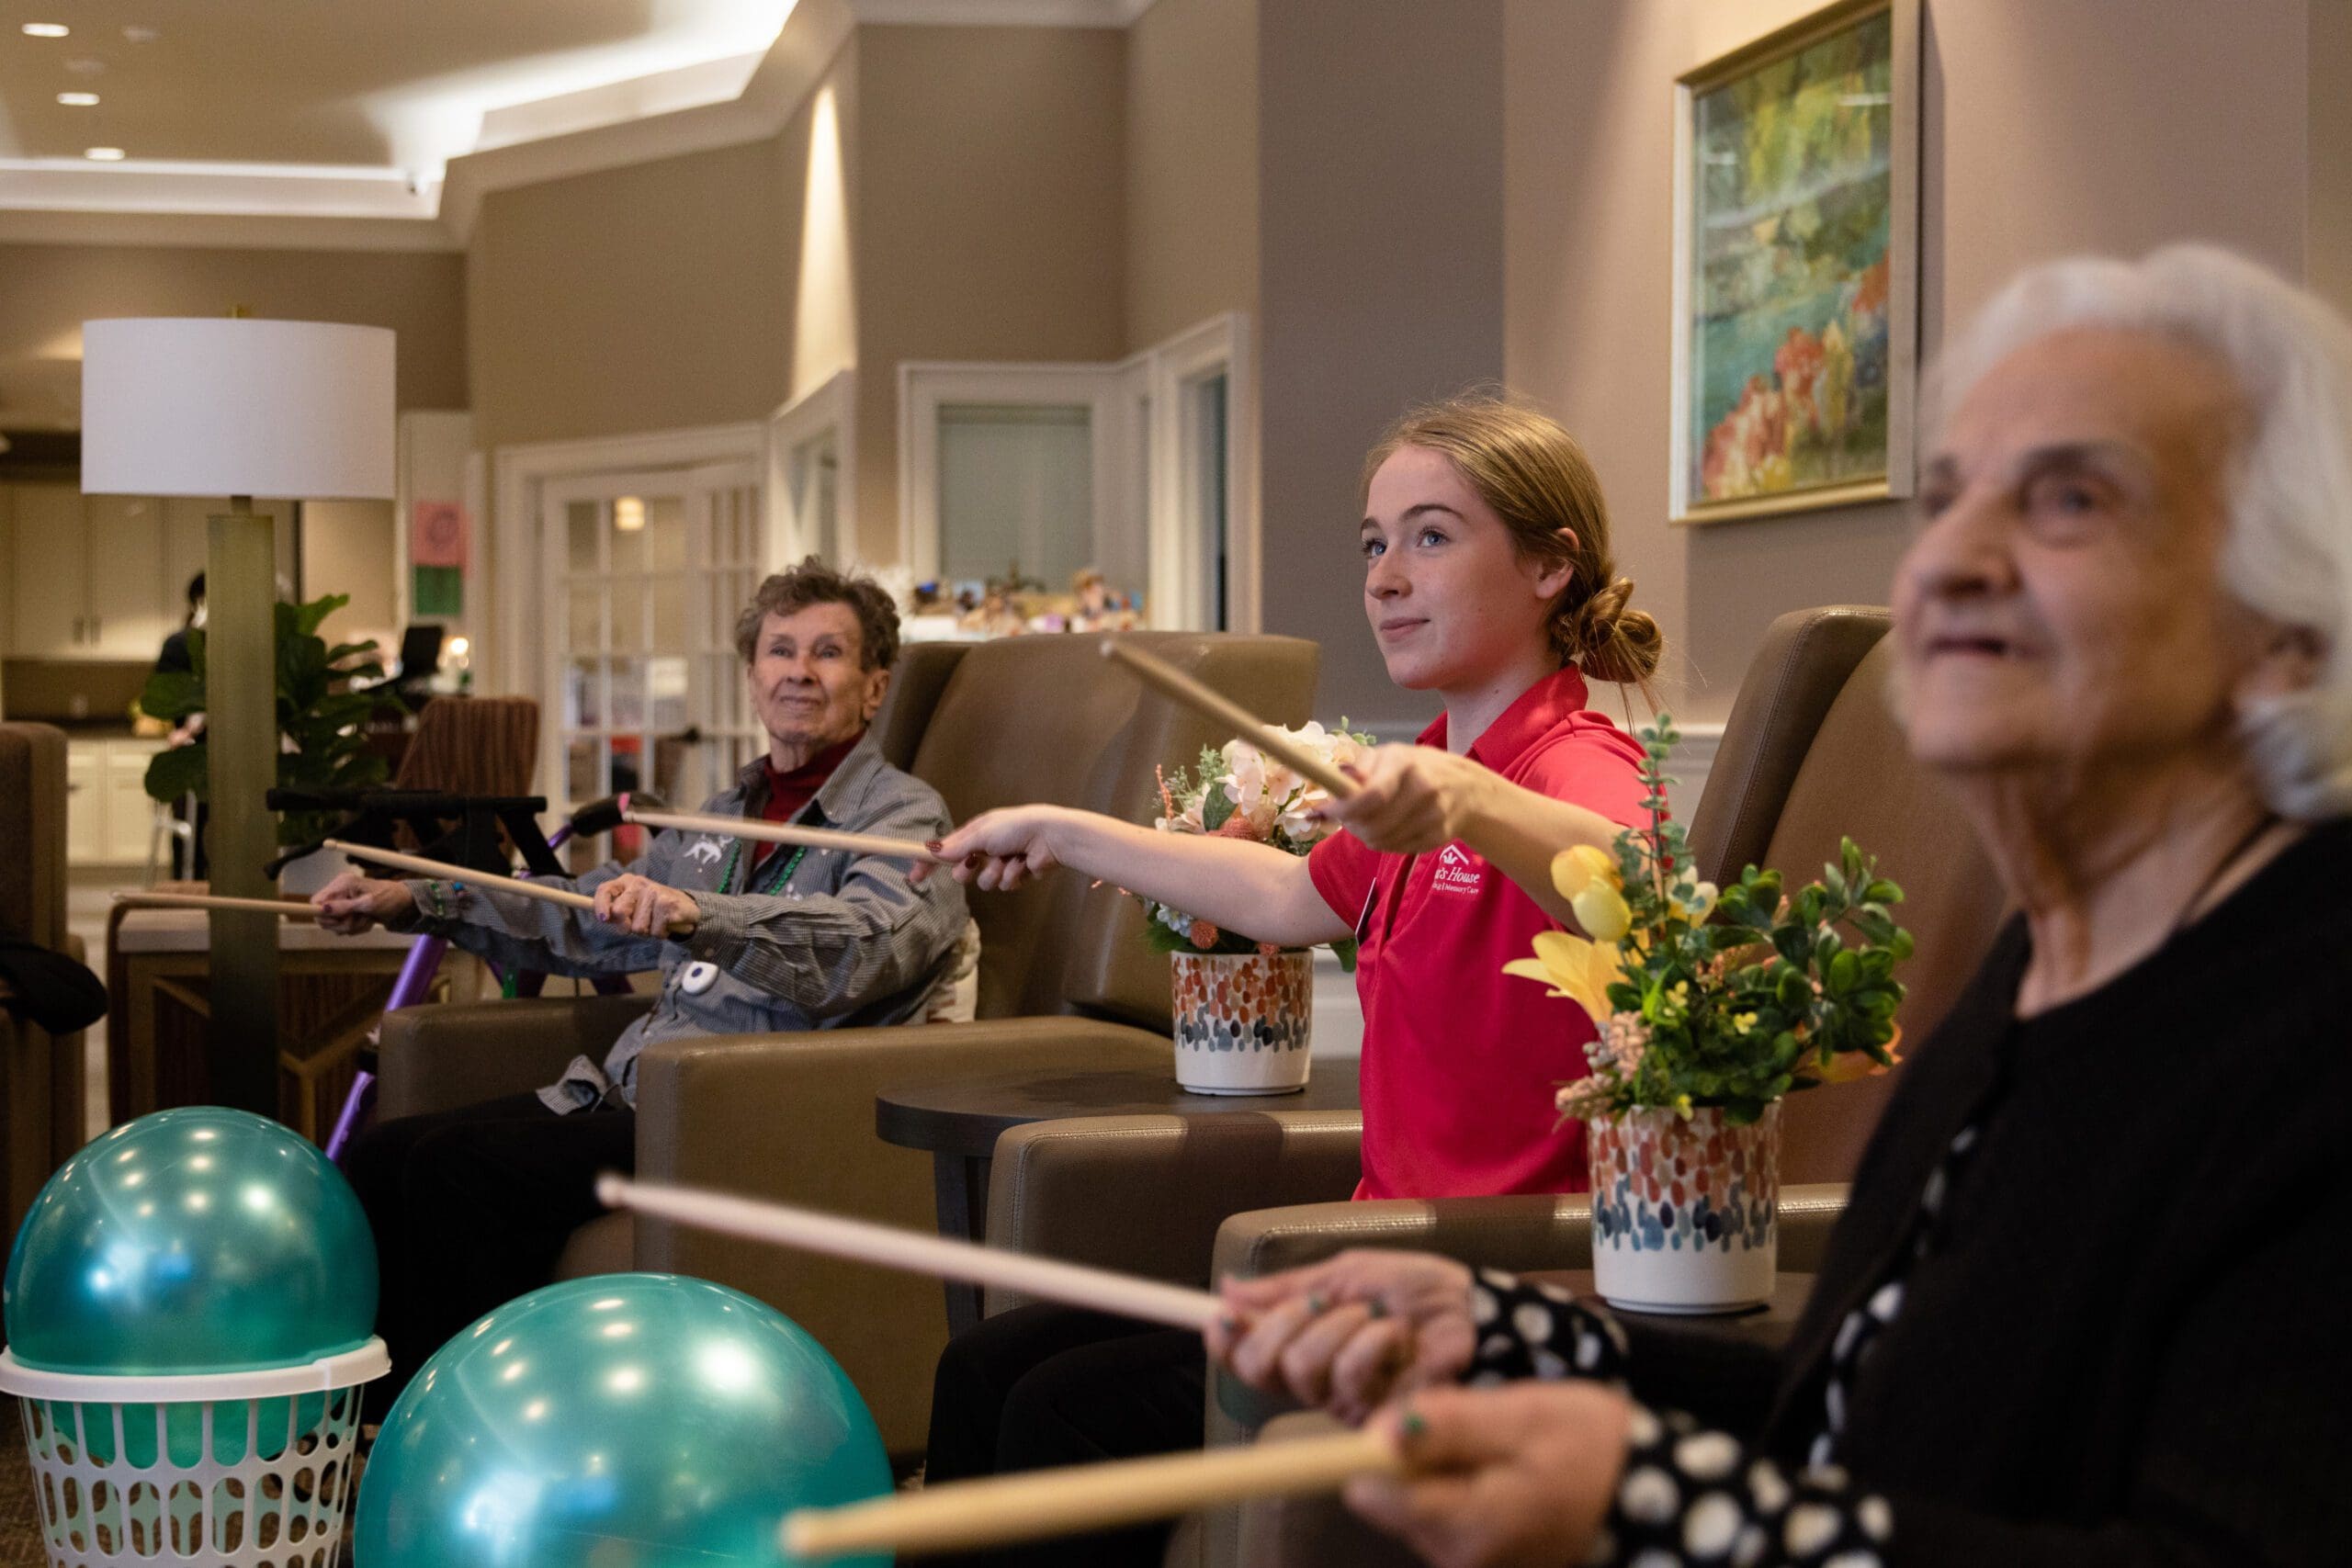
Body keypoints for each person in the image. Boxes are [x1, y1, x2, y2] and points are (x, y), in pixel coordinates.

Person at [1206, 245, 2352, 1568]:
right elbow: (1855, 1415)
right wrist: (1523, 1331)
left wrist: (1668, 1504)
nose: (1951, 560)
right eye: (1947, 497)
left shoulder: (2307, 1030)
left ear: (2290, 628)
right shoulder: (2044, 971)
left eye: (2069, 500)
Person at [918, 395, 1664, 1563]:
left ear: (1547, 567)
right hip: (1366, 1250)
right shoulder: (1429, 768)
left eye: (1431, 535)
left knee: (1058, 1413)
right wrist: (1063, 830)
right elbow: (1284, 894)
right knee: (987, 1364)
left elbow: (1636, 886)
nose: (1384, 576)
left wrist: (1473, 804)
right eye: (1374, 543)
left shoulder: (1568, 764)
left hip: (1489, 1277)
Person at [315, 558, 969, 1414]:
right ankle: (365, 1430)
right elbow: (589, 913)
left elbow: (865, 952)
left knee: (457, 1171)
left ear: (875, 684)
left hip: (741, 1114)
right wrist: (421, 897)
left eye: (828, 653)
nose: (799, 672)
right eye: (780, 650)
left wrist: (700, 914)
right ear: (752, 677)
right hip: (629, 1094)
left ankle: (450, 1430)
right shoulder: (727, 808)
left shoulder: (906, 819)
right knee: (382, 1153)